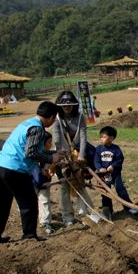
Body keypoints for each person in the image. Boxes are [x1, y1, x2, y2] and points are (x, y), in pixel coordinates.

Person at [0, 101, 64, 247]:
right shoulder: (38, 129)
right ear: (51, 117)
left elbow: (30, 148)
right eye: (54, 119)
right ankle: (29, 236)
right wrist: (51, 158)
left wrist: (53, 153)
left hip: (0, 165)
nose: (53, 122)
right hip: (15, 169)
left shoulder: (27, 123)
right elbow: (31, 152)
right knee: (29, 203)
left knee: (2, 204)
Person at [52, 90, 96, 226]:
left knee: (80, 181)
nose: (67, 107)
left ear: (74, 105)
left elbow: (83, 137)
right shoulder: (57, 119)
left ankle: (84, 213)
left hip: (78, 154)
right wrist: (62, 158)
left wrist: (82, 155)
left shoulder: (80, 117)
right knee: (65, 185)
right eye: (64, 105)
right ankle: (67, 217)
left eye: (70, 105)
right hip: (62, 155)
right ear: (59, 106)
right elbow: (57, 140)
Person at [94, 126, 138, 220]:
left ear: (111, 138)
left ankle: (129, 207)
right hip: (104, 175)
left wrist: (112, 166)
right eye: (100, 137)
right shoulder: (98, 149)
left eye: (104, 137)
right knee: (105, 193)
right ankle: (108, 211)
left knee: (120, 189)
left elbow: (120, 159)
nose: (101, 139)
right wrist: (99, 168)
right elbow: (96, 161)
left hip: (115, 174)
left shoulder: (116, 149)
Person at [32, 131, 56, 235]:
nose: (51, 145)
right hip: (33, 183)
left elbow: (54, 162)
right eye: (49, 142)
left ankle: (46, 222)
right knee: (30, 201)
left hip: (45, 184)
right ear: (42, 143)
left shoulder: (50, 155)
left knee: (44, 201)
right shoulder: (33, 155)